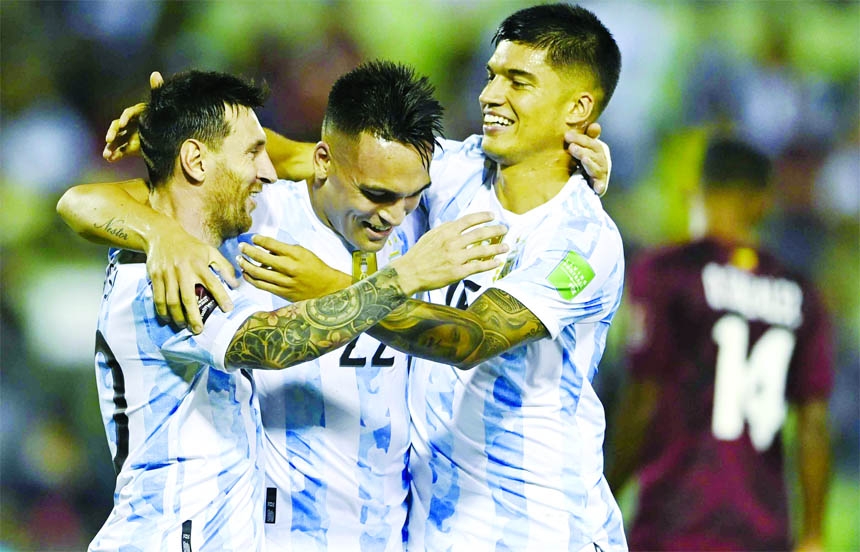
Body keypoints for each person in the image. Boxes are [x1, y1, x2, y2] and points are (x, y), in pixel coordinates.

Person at [60, 69, 508, 551]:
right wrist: (404, 277)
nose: (270, 170)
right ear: (196, 160)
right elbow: (274, 342)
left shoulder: (195, 253)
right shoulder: (169, 275)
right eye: (253, 153)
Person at [250, 4, 626, 550]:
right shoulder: (458, 171)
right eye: (492, 75)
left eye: (518, 82)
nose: (490, 96)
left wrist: (332, 290)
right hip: (438, 532)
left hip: (541, 529)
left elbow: (469, 338)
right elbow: (319, 158)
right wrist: (188, 133)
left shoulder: (581, 240)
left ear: (578, 108)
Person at [607, 137, 833, 551]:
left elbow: (643, 400)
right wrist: (814, 534)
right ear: (763, 203)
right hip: (762, 528)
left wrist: (605, 494)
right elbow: (814, 425)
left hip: (675, 518)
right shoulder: (801, 292)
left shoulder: (667, 272)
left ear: (702, 190)